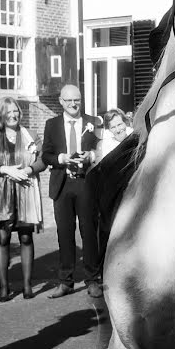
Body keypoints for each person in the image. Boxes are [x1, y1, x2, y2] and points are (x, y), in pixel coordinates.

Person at [0, 97, 45, 302]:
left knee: (26, 237)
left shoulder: (30, 135)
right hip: (1, 192)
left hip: (25, 189)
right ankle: (5, 288)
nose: (13, 115)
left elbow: (43, 159)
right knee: (3, 238)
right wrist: (3, 169)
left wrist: (29, 169)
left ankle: (27, 286)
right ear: (0, 115)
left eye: (15, 111)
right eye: (8, 112)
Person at [42, 85, 102, 298]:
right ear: (60, 101)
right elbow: (45, 155)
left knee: (89, 232)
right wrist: (60, 158)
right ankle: (66, 281)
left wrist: (90, 156)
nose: (73, 104)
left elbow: (100, 150)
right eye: (68, 101)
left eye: (77, 100)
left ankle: (93, 280)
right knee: (64, 234)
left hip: (85, 183)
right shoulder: (51, 124)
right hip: (62, 183)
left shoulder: (93, 122)